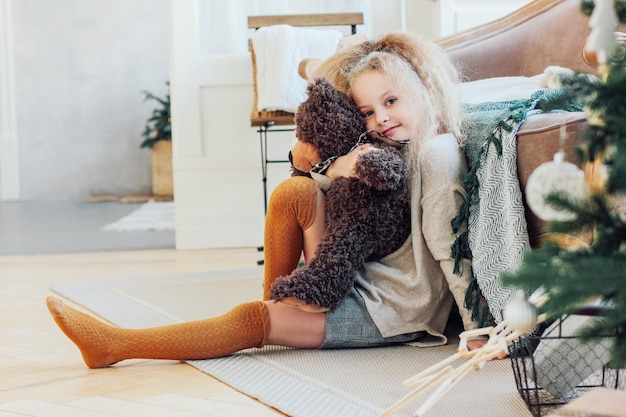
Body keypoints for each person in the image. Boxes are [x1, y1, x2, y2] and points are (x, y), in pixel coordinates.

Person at [46, 32, 479, 369]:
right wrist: (330, 168)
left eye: (390, 101)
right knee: (296, 190)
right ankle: (278, 303)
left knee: (250, 321)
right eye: (367, 111)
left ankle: (115, 346)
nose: (380, 118)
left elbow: (448, 245)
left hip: (392, 310)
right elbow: (344, 204)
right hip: (354, 276)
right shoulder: (384, 149)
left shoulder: (436, 154)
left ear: (423, 89)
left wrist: (478, 326)